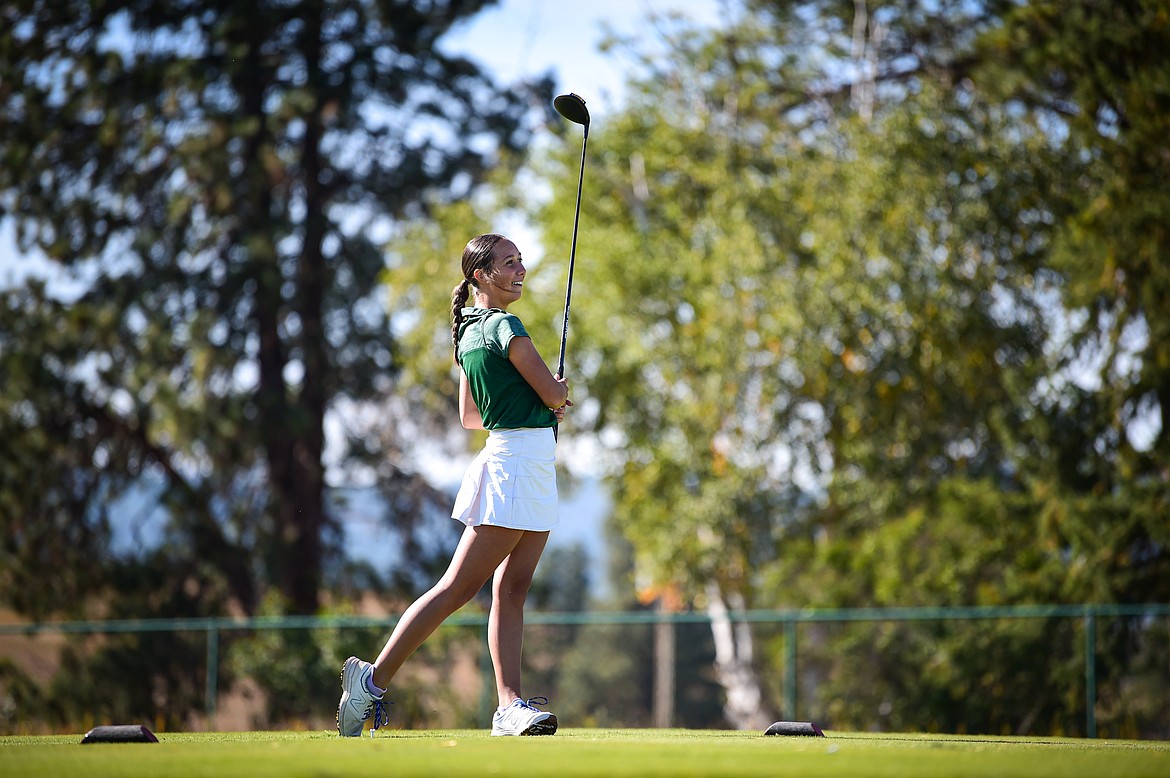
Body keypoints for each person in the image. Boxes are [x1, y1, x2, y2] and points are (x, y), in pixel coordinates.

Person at [337, 233, 571, 738]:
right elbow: (552, 393)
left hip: (523, 464)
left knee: (512, 589)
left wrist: (527, 398)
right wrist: (556, 392)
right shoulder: (505, 324)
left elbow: (470, 416)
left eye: (520, 261)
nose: (520, 269)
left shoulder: (469, 331)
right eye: (508, 264)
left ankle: (509, 705)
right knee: (458, 588)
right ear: (481, 276)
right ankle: (371, 681)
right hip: (516, 466)